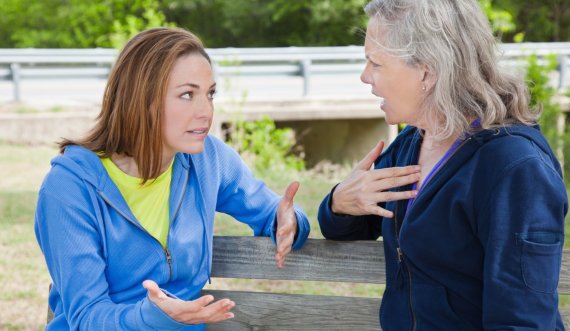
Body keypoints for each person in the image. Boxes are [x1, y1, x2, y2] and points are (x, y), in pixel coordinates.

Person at [34, 27, 310, 330]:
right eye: (187, 95)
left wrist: (290, 221)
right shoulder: (69, 189)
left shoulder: (208, 160)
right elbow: (87, 318)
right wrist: (153, 316)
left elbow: (271, 210)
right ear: (143, 101)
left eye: (210, 94)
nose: (206, 111)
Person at [318, 0, 567, 330]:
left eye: (375, 63)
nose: (365, 77)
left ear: (426, 71)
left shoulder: (516, 169)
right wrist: (340, 203)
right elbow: (350, 229)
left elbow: (521, 320)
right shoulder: (413, 142)